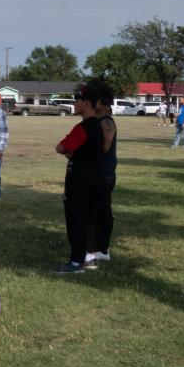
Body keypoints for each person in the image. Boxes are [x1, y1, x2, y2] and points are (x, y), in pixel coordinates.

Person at [54, 85, 104, 274]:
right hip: (93, 179)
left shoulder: (83, 127)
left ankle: (75, 262)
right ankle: (90, 258)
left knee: (75, 219)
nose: (74, 104)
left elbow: (60, 147)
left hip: (79, 181)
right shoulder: (97, 126)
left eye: (77, 100)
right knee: (89, 219)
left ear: (87, 103)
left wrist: (69, 152)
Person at [88, 88, 117, 266]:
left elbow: (104, 148)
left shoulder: (106, 122)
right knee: (95, 212)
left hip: (103, 175)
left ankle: (103, 249)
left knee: (103, 212)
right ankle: (96, 247)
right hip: (96, 173)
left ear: (104, 104)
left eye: (95, 100)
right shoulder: (98, 121)